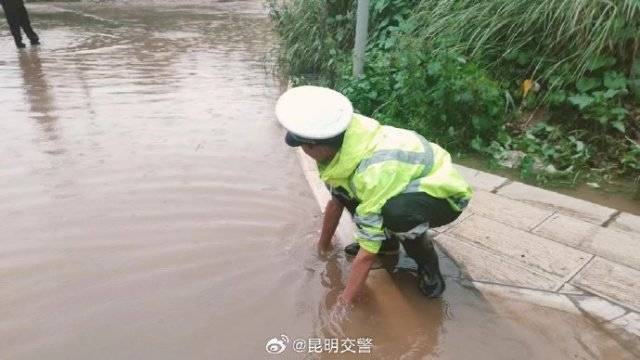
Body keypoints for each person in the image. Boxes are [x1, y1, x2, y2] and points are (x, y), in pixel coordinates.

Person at [275, 86, 473, 305]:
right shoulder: (341, 141)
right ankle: (388, 246)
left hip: (442, 192)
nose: (304, 151)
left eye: (304, 146)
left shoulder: (370, 170)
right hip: (399, 180)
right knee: (349, 193)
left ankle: (428, 265)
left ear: (316, 146)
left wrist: (343, 303)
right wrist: (322, 246)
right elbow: (337, 200)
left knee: (395, 214)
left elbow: (367, 253)